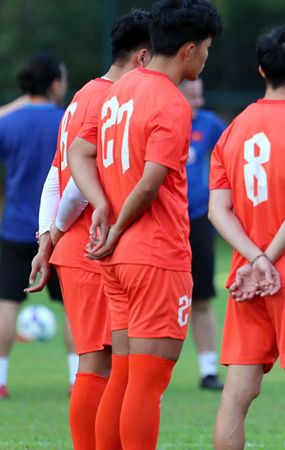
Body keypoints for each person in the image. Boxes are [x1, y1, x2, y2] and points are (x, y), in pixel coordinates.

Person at [67, 1, 222, 448]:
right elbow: (152, 182)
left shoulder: (117, 89)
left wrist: (101, 207)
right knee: (147, 383)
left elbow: (79, 151)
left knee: (124, 374)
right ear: (189, 50)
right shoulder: (172, 102)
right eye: (207, 48)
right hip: (155, 254)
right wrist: (115, 225)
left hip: (117, 260)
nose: (207, 57)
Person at [26, 10, 150, 449]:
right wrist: (57, 232)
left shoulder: (82, 95)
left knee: (101, 363)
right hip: (89, 246)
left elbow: (55, 174)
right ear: (143, 55)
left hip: (77, 245)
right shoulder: (111, 100)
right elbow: (78, 180)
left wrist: (46, 237)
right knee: (101, 365)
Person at [209, 23, 285, 450]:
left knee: (237, 394)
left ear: (262, 70)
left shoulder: (232, 132)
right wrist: (269, 261)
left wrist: (252, 260)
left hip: (246, 280)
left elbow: (217, 210)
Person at [0, 52, 68, 400]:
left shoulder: (8, 123)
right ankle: (78, 378)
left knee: (7, 303)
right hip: (60, 228)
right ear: (56, 84)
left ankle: (0, 377)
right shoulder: (66, 121)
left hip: (15, 228)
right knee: (72, 305)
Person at [179, 78, 227, 391]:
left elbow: (233, 154)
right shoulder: (160, 119)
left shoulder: (209, 124)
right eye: (191, 95)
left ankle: (208, 369)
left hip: (198, 219)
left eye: (200, 95)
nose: (197, 102)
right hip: (162, 222)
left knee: (202, 296)